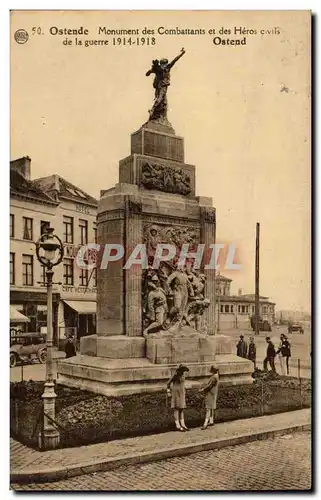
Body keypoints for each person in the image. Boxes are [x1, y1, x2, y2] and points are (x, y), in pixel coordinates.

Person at [166, 364, 189, 431]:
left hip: (182, 393)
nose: (183, 371)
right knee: (176, 409)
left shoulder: (183, 375)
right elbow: (168, 383)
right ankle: (178, 425)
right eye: (182, 370)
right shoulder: (175, 375)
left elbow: (183, 383)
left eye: (184, 370)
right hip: (176, 393)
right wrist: (168, 391)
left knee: (181, 408)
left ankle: (183, 424)